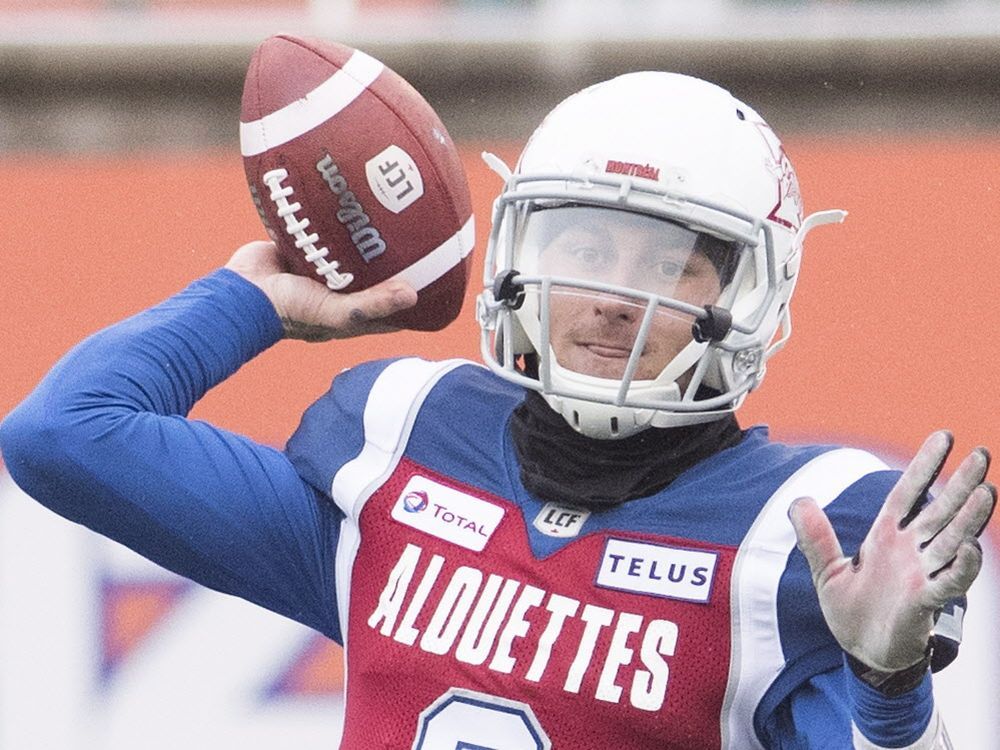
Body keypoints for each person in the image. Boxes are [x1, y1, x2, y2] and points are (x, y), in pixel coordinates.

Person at [0, 71, 993, 749]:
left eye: (665, 262)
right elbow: (65, 435)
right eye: (586, 250)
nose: (614, 295)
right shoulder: (402, 440)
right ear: (524, 259)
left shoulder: (799, 538)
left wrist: (889, 689)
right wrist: (255, 301)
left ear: (749, 296)